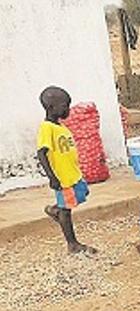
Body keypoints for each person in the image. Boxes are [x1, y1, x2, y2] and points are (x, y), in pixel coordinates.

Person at [37, 86, 96, 255]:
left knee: (81, 194)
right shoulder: (46, 128)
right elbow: (42, 153)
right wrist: (52, 177)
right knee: (66, 209)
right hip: (63, 178)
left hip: (73, 175)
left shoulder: (60, 127)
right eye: (64, 106)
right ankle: (72, 244)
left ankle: (55, 210)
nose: (67, 109)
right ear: (51, 108)